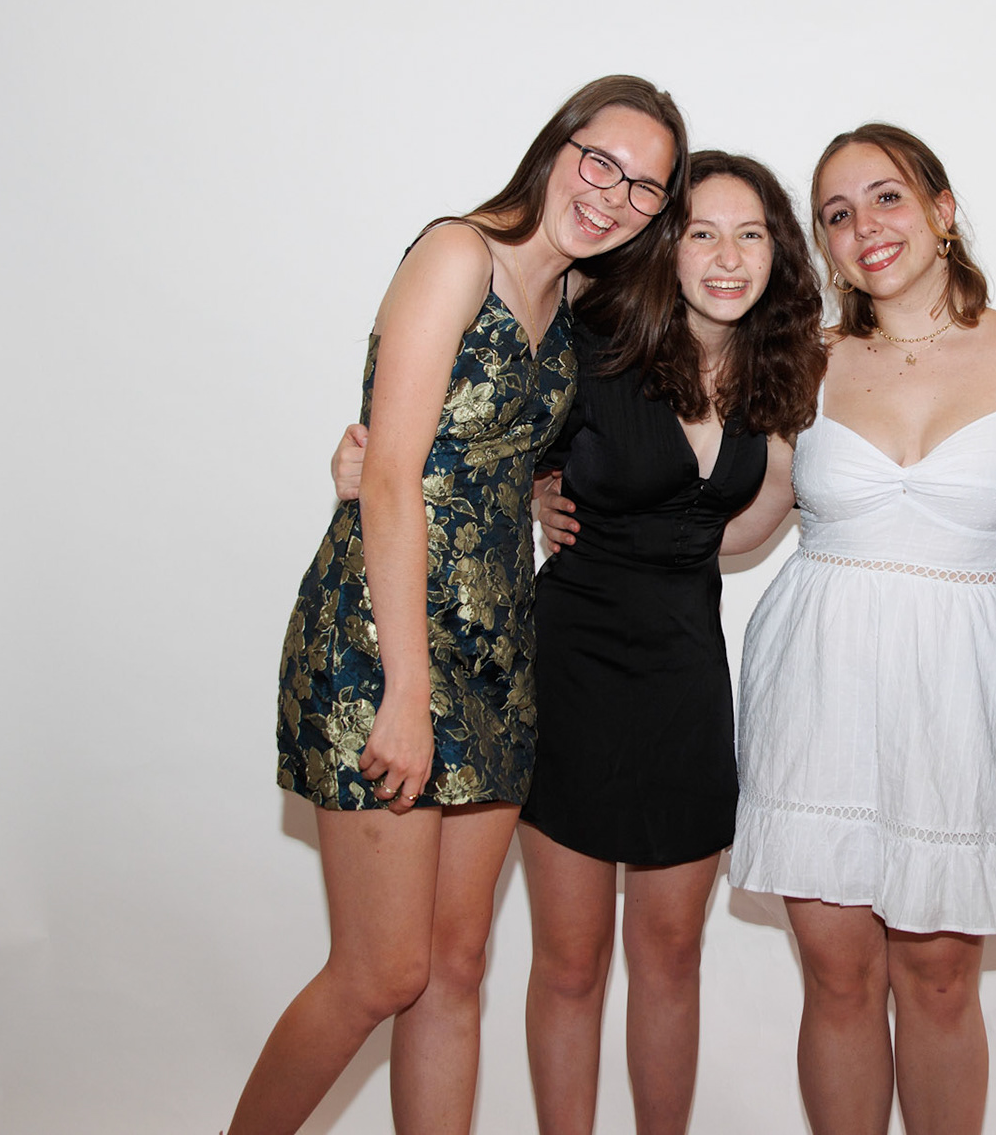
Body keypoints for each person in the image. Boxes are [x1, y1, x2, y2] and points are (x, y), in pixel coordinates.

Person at [229, 75, 688, 1135]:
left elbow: (490, 440)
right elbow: (392, 476)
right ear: (557, 146)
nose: (613, 196)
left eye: (645, 189)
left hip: (496, 647)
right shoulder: (458, 253)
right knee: (382, 970)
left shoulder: (571, 302)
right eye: (601, 162)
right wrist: (406, 691)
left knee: (456, 964)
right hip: (383, 638)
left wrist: (536, 487)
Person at [330, 152, 825, 1135]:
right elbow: (475, 436)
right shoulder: (590, 339)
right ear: (665, 246)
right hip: (570, 670)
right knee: (569, 960)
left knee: (671, 954)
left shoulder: (784, 367)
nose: (727, 257)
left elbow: (757, 515)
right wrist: (381, 464)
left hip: (688, 676)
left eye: (751, 235)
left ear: (778, 252)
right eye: (701, 233)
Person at [726, 124, 996, 1135]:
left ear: (942, 209)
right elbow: (751, 514)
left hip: (964, 683)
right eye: (837, 213)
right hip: (819, 678)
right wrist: (588, 511)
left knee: (941, 975)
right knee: (837, 975)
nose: (864, 226)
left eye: (887, 197)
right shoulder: (807, 360)